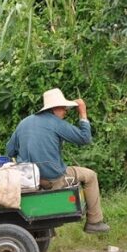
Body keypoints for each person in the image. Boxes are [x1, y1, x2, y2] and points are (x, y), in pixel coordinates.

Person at [6, 88, 110, 234]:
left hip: (29, 179)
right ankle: (94, 221)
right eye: (64, 108)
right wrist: (83, 113)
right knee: (90, 175)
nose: (66, 111)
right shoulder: (56, 123)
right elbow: (85, 138)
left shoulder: (24, 123)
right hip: (54, 179)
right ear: (54, 108)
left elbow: (9, 151)